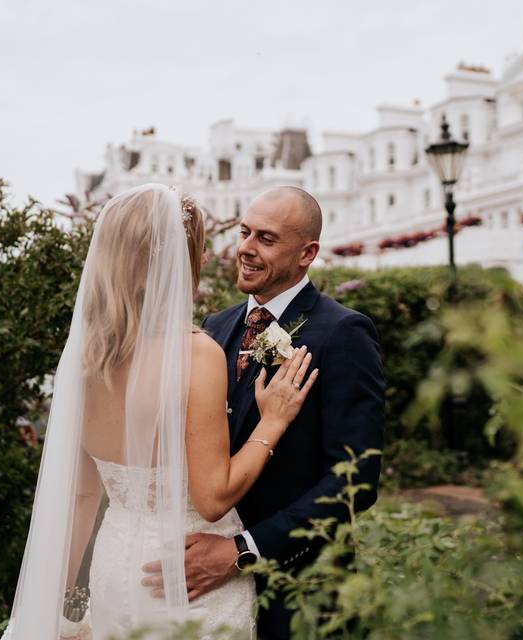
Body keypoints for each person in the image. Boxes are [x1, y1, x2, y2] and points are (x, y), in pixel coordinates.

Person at [1, 183, 317, 639]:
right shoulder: (196, 354)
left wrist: (49, 608)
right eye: (198, 251)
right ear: (172, 260)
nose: (205, 261)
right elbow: (212, 498)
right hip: (187, 580)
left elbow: (83, 498)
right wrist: (273, 422)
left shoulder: (86, 359)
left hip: (113, 575)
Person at [140, 186, 385, 640]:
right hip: (206, 593)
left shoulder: (344, 333)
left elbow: (355, 480)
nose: (246, 249)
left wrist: (243, 550)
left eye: (266, 239)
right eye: (245, 232)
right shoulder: (214, 327)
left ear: (307, 252)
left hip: (300, 594)